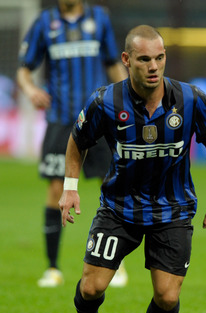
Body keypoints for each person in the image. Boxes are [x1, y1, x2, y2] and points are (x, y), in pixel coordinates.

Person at [59, 25, 206, 313]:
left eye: (160, 58)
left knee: (167, 296)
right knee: (91, 288)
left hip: (174, 209)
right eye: (145, 59)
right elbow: (78, 140)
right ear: (127, 60)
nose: (154, 66)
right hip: (119, 209)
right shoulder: (105, 101)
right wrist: (70, 186)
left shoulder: (191, 99)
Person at [16, 0, 128, 288]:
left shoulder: (99, 19)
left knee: (112, 185)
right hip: (61, 120)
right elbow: (24, 69)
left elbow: (113, 63)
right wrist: (30, 90)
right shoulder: (45, 22)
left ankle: (118, 264)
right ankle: (53, 268)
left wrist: (129, 100)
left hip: (99, 118)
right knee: (56, 188)